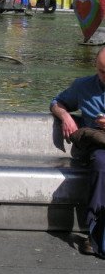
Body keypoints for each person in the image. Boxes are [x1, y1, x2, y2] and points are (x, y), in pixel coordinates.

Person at [50, 46, 105, 258]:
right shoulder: (84, 86)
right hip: (100, 148)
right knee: (101, 164)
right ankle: (95, 230)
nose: (104, 77)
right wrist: (65, 116)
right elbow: (56, 102)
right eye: (101, 71)